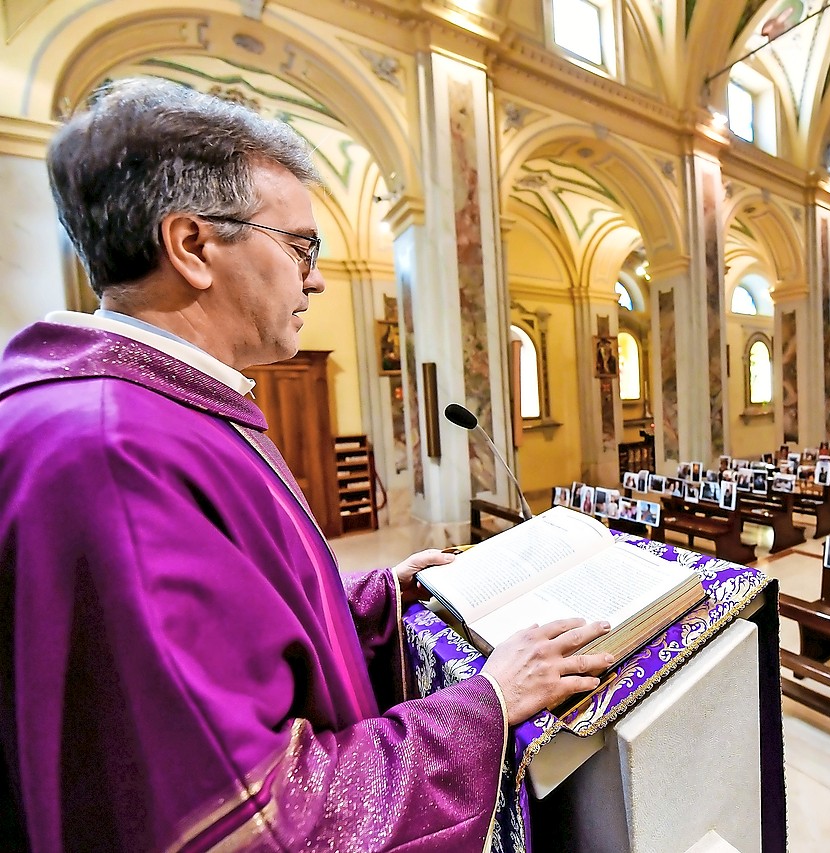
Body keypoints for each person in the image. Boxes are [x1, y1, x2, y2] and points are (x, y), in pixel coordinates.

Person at [0, 79, 615, 852]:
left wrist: (372, 600)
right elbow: (260, 815)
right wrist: (486, 702)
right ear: (192, 246)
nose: (316, 277)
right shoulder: (116, 454)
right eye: (300, 246)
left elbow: (225, 641)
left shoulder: (150, 409)